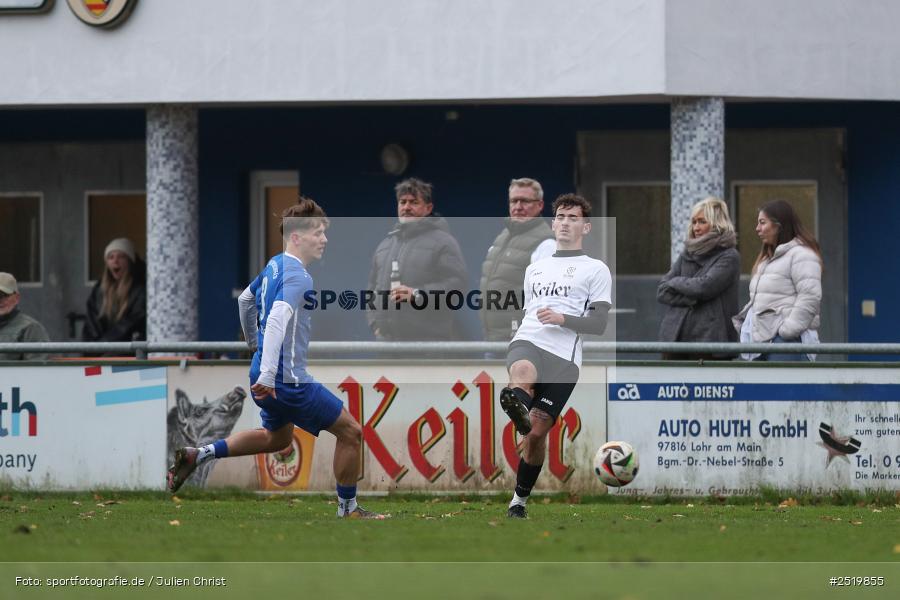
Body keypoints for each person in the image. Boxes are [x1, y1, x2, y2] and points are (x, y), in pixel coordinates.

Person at [168, 198, 385, 519]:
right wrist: (270, 373)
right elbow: (277, 319)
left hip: (262, 372)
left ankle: (199, 454)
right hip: (286, 379)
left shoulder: (274, 265)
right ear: (296, 236)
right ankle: (348, 509)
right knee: (351, 432)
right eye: (317, 232)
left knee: (277, 438)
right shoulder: (299, 276)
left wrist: (254, 347)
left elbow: (245, 300)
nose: (324, 239)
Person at [498, 194, 611, 518]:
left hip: (564, 358)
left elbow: (599, 324)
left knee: (535, 435)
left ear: (586, 227)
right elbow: (528, 312)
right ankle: (517, 402)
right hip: (529, 339)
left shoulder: (596, 270)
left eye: (573, 218)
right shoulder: (535, 268)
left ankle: (519, 501)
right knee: (522, 369)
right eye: (560, 216)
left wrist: (563, 319)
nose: (565, 222)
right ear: (552, 224)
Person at [367, 177, 467, 340]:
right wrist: (374, 324)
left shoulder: (444, 242)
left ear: (428, 208)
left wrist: (417, 294)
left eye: (414, 202)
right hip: (387, 343)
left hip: (428, 345)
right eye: (402, 202)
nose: (406, 207)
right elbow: (371, 289)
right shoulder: (385, 245)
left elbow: (457, 288)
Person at [733, 199, 822, 361]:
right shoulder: (766, 259)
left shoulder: (801, 255)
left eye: (762, 223)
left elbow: (810, 296)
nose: (757, 228)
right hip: (761, 343)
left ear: (778, 225)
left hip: (787, 343)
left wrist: (786, 331)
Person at [657, 197, 740, 360]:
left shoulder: (729, 257)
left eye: (702, 222)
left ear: (717, 224)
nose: (696, 227)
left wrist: (675, 282)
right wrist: (692, 297)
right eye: (694, 222)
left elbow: (704, 288)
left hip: (709, 342)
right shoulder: (687, 253)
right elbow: (662, 291)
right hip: (674, 338)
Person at [479, 177, 555, 342]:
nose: (518, 207)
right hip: (493, 336)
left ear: (540, 205)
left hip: (522, 340)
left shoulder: (546, 244)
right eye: (514, 201)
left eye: (525, 201)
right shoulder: (503, 236)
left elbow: (547, 299)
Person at [83, 238, 146, 344]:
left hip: (127, 348)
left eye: (121, 257)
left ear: (130, 261)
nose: (115, 261)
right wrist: (93, 347)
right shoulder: (99, 291)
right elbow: (91, 325)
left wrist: (105, 344)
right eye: (111, 257)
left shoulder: (140, 290)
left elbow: (132, 322)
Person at [0, 272, 50, 360]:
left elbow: (38, 366)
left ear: (16, 298)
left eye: (3, 295)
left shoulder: (30, 328)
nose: (0, 300)